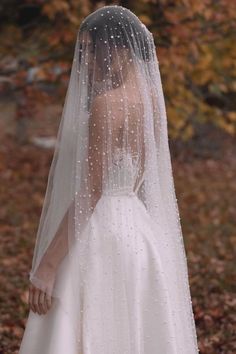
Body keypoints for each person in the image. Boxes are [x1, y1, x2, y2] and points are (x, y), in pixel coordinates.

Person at [19, 5, 199, 354]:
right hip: (139, 234)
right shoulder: (151, 102)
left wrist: (48, 265)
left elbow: (92, 190)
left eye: (92, 50)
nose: (87, 62)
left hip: (100, 232)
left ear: (117, 47)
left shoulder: (107, 104)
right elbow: (136, 178)